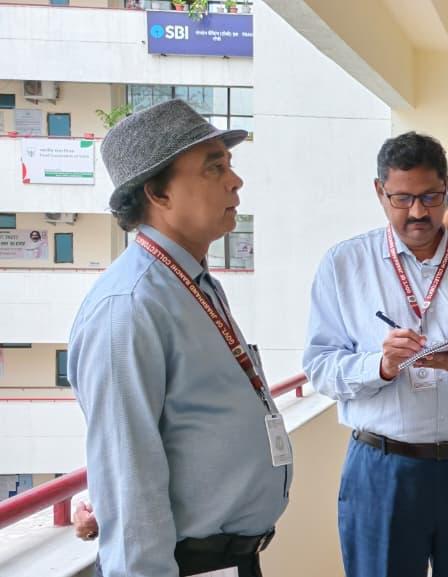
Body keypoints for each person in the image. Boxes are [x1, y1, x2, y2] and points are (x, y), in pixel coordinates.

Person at [68, 99, 289, 577]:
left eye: (229, 165)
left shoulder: (193, 282)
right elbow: (127, 480)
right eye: (214, 168)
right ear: (158, 193)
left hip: (229, 560)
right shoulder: (129, 307)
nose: (235, 181)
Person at [303, 132, 448, 577]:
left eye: (430, 197)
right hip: (383, 469)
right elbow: (319, 366)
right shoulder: (344, 264)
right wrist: (381, 366)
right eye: (402, 198)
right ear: (379, 191)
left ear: (446, 187)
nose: (418, 212)